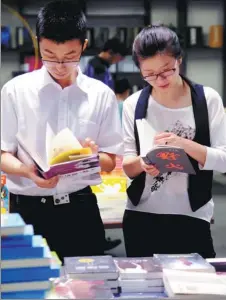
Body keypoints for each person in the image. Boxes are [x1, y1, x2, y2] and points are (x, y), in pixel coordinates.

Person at [1, 0, 123, 262]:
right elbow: (3, 154)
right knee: (28, 286)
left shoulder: (100, 95)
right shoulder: (15, 91)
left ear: (84, 46)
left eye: (69, 57)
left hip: (80, 210)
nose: (59, 65)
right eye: (49, 55)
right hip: (27, 210)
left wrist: (89, 159)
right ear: (38, 42)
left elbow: (111, 160)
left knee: (88, 288)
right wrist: (27, 171)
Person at [122, 24, 226, 259]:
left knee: (197, 292)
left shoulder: (206, 100)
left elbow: (224, 160)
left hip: (192, 215)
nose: (158, 80)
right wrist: (142, 163)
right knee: (145, 292)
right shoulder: (134, 104)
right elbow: (127, 166)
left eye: (166, 70)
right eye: (148, 74)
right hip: (141, 216)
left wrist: (183, 144)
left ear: (179, 60)